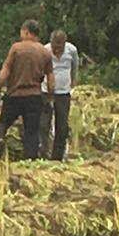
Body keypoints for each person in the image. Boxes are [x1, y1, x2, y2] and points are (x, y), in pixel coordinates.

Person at [0, 21, 55, 160]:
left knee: (3, 122)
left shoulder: (16, 48)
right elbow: (50, 78)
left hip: (15, 95)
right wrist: (49, 98)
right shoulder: (45, 52)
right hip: (34, 97)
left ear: (26, 32)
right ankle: (30, 161)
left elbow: (5, 72)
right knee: (32, 131)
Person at [41, 30, 78, 161]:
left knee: (62, 126)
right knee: (43, 124)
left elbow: (74, 67)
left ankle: (57, 157)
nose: (56, 50)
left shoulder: (71, 50)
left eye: (59, 47)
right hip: (46, 92)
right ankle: (43, 153)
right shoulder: (45, 50)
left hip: (63, 94)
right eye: (54, 46)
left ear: (64, 43)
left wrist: (73, 81)